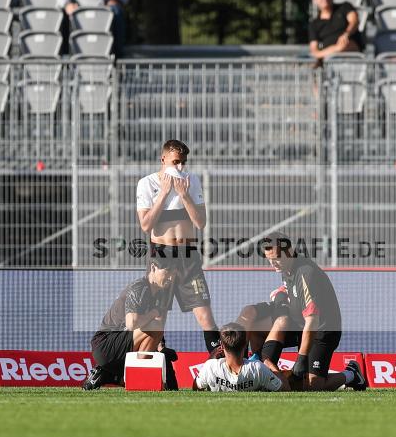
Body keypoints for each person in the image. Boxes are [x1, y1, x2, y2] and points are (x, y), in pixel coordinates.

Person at [236, 233, 367, 391]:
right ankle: (261, 369)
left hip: (322, 331)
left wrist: (302, 358)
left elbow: (312, 321)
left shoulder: (306, 273)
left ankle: (352, 374)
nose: (273, 264)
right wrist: (282, 290)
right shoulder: (287, 266)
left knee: (313, 385)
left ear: (289, 251)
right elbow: (295, 289)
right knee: (257, 327)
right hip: (299, 325)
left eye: (276, 259)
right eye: (269, 259)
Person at [136, 140, 221, 356]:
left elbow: (200, 222)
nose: (180, 167)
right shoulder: (147, 183)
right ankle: (154, 364)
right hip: (161, 256)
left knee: (205, 315)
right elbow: (146, 225)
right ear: (163, 159)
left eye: (183, 162)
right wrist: (164, 193)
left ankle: (221, 362)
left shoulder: (191, 181)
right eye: (176, 162)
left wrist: (184, 195)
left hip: (187, 255)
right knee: (157, 316)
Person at [83, 257, 178, 390]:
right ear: (153, 268)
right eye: (167, 271)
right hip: (104, 345)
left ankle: (108, 376)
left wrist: (162, 349)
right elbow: (132, 323)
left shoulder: (164, 293)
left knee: (156, 330)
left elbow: (158, 327)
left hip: (124, 346)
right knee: (154, 328)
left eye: (174, 273)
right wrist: (154, 313)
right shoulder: (139, 286)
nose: (171, 277)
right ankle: (135, 374)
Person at [193, 323, 287, 392]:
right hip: (254, 365)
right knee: (280, 323)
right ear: (245, 345)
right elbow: (284, 388)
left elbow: (195, 387)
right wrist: (271, 366)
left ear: (221, 345)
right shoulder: (258, 368)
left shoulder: (210, 367)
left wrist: (210, 359)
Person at [308, 0, 363, 67]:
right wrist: (336, 49)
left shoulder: (344, 7)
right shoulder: (314, 24)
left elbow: (354, 21)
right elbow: (314, 49)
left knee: (345, 44)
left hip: (350, 56)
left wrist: (346, 34)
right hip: (328, 61)